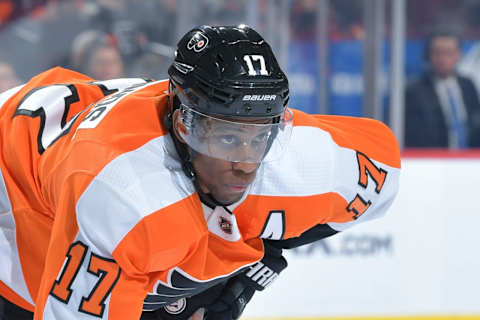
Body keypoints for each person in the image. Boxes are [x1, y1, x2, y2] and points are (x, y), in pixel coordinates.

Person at [0, 25, 401, 320]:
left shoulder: (304, 160)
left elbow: (382, 174)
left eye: (258, 136)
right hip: (14, 179)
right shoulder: (122, 192)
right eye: (225, 137)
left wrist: (254, 267)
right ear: (182, 121)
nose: (245, 162)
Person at [405, 28, 480, 148]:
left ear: (458, 55)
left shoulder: (468, 85)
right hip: (433, 160)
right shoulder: (415, 92)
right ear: (428, 55)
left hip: (469, 159)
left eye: (449, 53)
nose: (443, 58)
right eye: (437, 53)